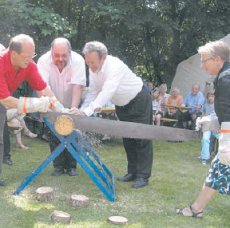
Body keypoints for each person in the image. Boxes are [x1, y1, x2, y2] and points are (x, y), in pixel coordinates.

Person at [78, 41, 153, 189]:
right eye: (88, 63)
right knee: (128, 138)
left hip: (139, 99)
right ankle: (132, 172)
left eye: (92, 62)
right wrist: (83, 110)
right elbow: (93, 91)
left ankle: (143, 176)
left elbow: (107, 92)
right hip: (122, 104)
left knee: (142, 138)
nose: (90, 66)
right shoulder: (94, 69)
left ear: (103, 57)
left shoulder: (115, 66)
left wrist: (87, 112)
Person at [0, 34, 66, 186]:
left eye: (32, 55)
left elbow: (43, 88)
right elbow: (5, 100)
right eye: (27, 56)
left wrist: (58, 107)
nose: (30, 59)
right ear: (13, 53)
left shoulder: (28, 65)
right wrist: (36, 104)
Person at [176, 40, 230, 218]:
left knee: (219, 169)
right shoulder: (225, 76)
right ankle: (196, 208)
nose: (201, 65)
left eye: (204, 60)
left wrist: (226, 142)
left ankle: (196, 208)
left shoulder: (226, 78)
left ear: (217, 59)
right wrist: (211, 119)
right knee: (217, 171)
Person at [37, 37, 86, 176]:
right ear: (51, 51)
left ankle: (72, 166)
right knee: (53, 133)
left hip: (73, 101)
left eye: (64, 55)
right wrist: (53, 107)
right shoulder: (43, 61)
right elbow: (42, 86)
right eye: (56, 55)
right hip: (51, 101)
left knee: (73, 132)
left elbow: (78, 87)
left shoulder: (78, 60)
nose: (60, 59)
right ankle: (58, 166)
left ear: (69, 53)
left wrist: (74, 109)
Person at [196, 92, 218, 165]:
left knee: (222, 139)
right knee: (205, 139)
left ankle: (222, 158)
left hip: (216, 125)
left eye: (212, 96)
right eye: (209, 96)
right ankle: (204, 158)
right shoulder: (205, 105)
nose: (211, 98)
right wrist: (201, 120)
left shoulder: (219, 105)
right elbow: (203, 115)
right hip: (207, 124)